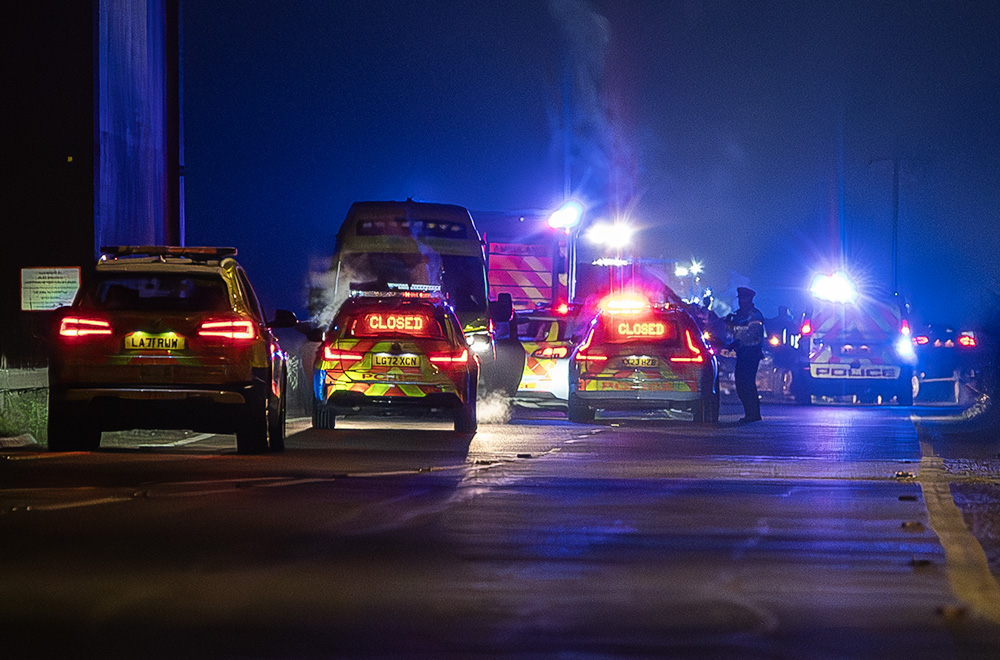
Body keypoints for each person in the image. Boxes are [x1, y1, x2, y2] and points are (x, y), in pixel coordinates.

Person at [726, 287, 765, 422]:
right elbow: (734, 332)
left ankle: (753, 414)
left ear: (750, 299)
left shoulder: (755, 315)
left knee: (747, 383)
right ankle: (750, 413)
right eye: (740, 299)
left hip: (751, 353)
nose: (741, 301)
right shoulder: (739, 315)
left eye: (743, 298)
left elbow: (751, 334)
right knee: (741, 384)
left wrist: (736, 341)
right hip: (742, 353)